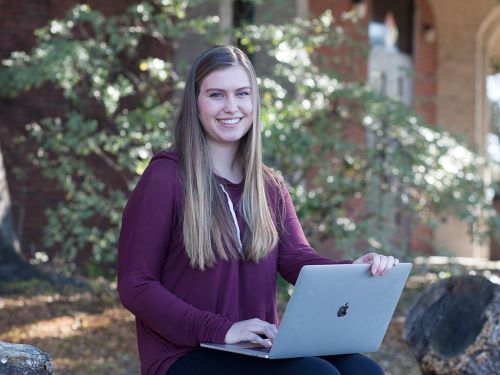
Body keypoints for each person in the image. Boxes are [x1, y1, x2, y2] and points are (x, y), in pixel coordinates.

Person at [117, 45, 399, 375]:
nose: (231, 106)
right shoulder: (165, 178)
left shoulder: (268, 185)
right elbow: (135, 285)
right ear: (195, 102)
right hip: (183, 354)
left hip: (255, 346)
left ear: (254, 101)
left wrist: (353, 270)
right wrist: (220, 329)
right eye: (216, 95)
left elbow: (298, 261)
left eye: (242, 94)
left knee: (364, 372)